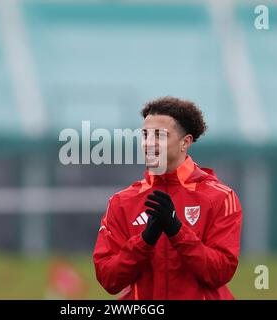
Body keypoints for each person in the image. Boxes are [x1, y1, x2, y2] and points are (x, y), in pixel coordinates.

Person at [93, 96, 242, 300]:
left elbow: (220, 273)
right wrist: (145, 241)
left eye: (160, 135)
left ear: (185, 142)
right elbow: (108, 278)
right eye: (145, 134)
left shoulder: (220, 197)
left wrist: (177, 231)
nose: (149, 143)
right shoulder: (121, 202)